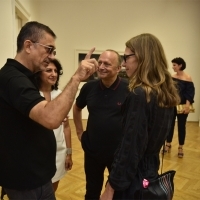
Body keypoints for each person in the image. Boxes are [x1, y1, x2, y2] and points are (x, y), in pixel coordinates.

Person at [0, 21, 97, 200]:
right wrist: (76, 78)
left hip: (38, 176)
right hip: (25, 181)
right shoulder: (13, 79)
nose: (51, 56)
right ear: (28, 46)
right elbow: (51, 118)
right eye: (49, 49)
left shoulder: (25, 77)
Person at [100, 33, 180, 200]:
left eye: (126, 57)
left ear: (141, 57)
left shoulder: (140, 94)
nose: (123, 63)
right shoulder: (164, 93)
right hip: (150, 172)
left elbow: (130, 148)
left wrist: (111, 187)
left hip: (133, 179)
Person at [73, 49, 129, 200]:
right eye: (100, 62)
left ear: (118, 68)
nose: (102, 66)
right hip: (92, 150)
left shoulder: (129, 89)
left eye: (107, 64)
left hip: (118, 153)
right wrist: (79, 132)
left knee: (117, 192)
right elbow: (77, 108)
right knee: (92, 191)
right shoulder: (89, 87)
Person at [36, 58, 73, 191]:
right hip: (36, 154)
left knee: (51, 193)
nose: (53, 74)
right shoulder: (32, 95)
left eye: (56, 71)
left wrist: (69, 153)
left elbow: (67, 127)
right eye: (48, 70)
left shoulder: (60, 96)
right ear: (39, 73)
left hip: (58, 153)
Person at [164, 57, 195, 158]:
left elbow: (190, 93)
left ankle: (180, 147)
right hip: (172, 105)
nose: (172, 67)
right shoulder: (172, 77)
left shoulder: (188, 78)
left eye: (174, 65)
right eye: (173, 65)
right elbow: (169, 90)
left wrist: (187, 106)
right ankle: (168, 144)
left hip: (182, 106)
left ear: (180, 65)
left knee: (181, 126)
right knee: (169, 125)